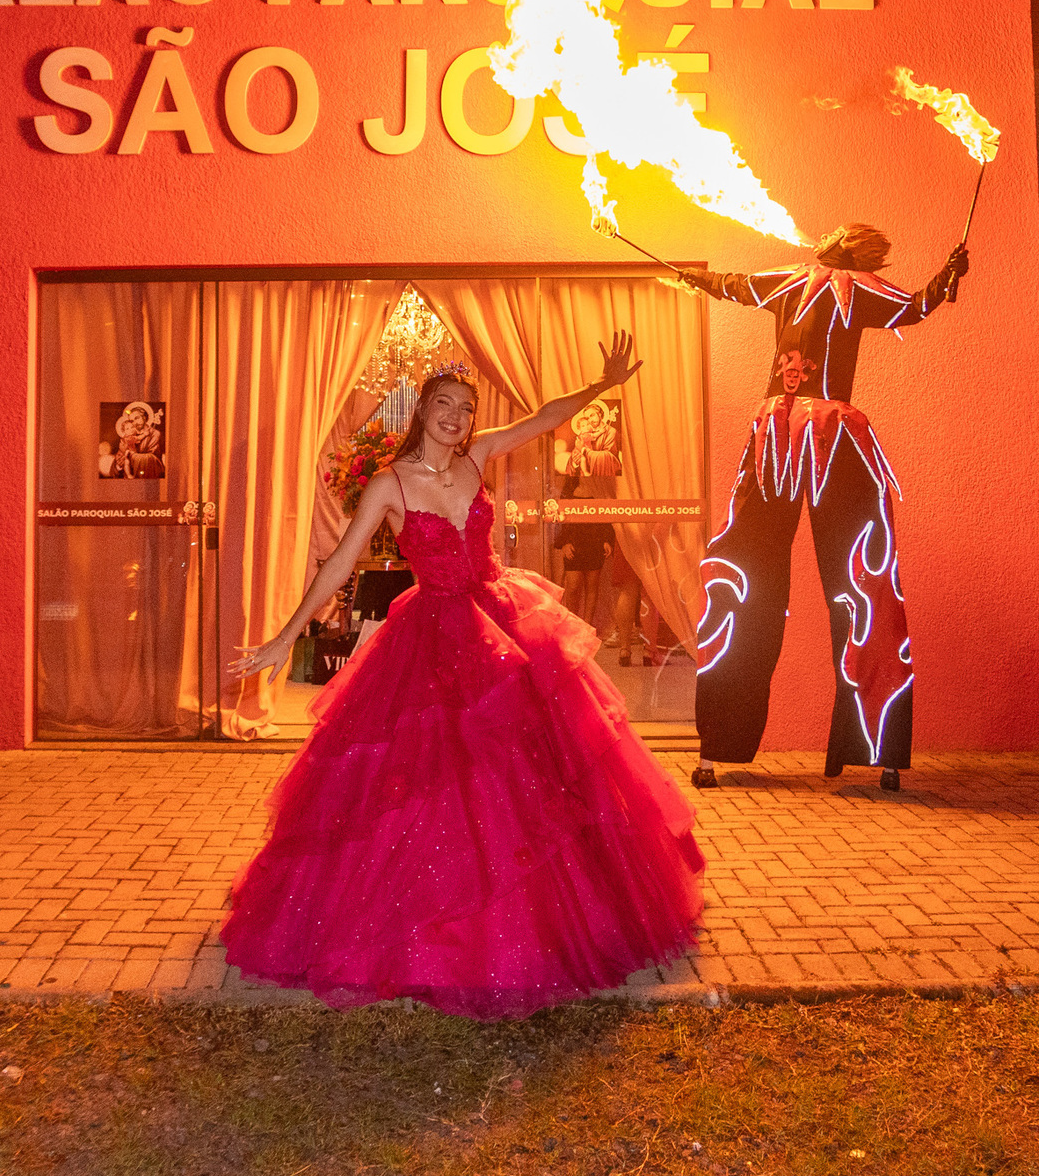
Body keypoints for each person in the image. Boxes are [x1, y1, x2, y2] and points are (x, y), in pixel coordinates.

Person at [221, 336, 705, 1019]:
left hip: (506, 625)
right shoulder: (389, 484)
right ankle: (432, 933)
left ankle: (555, 920)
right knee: (436, 783)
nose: (456, 417)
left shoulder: (479, 457)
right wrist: (285, 634)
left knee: (538, 772)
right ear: (422, 412)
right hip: (432, 635)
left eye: (466, 409)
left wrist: (602, 385)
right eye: (444, 405)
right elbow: (339, 563)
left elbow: (544, 417)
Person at [681, 225, 969, 793]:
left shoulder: (815, 283)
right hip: (821, 436)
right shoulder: (826, 285)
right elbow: (917, 306)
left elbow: (732, 284)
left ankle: (723, 744)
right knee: (858, 581)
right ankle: (875, 747)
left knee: (754, 575)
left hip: (786, 437)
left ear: (844, 246)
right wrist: (946, 276)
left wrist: (947, 275)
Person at [555, 474, 613, 629]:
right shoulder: (568, 491)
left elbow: (607, 514)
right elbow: (559, 517)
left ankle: (587, 626)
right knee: (573, 587)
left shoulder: (600, 490)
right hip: (574, 544)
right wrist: (564, 543)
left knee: (592, 587)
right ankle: (572, 625)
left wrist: (607, 540)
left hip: (595, 542)